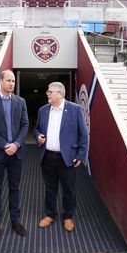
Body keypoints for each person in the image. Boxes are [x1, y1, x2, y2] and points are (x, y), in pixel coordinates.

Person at [33, 82, 89, 232]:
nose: (47, 94)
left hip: (67, 158)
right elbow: (36, 128)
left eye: (50, 92)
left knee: (68, 189)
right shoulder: (43, 110)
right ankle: (50, 214)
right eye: (48, 91)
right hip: (48, 157)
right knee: (50, 188)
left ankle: (68, 216)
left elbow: (83, 135)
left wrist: (81, 155)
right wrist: (38, 136)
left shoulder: (75, 109)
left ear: (60, 94)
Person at [0, 70, 29, 237]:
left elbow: (25, 125)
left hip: (16, 153)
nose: (12, 83)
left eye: (14, 81)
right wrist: (4, 145)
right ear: (1, 81)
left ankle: (15, 221)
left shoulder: (20, 102)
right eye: (8, 80)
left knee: (15, 187)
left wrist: (16, 144)